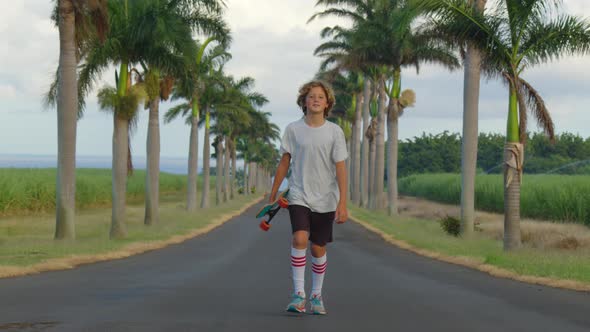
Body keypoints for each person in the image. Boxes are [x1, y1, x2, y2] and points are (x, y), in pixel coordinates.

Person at [268, 80, 348, 315]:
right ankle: (298, 295)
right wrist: (273, 194)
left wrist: (342, 202)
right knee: (300, 238)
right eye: (311, 96)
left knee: (317, 248)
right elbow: (285, 162)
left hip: (326, 198)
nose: (315, 99)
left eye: (320, 97)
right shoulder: (293, 129)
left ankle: (316, 295)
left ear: (327, 103)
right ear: (304, 101)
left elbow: (341, 168)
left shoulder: (334, 132)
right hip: (299, 194)